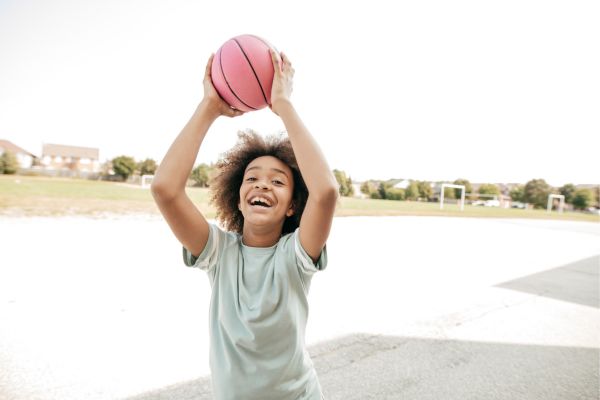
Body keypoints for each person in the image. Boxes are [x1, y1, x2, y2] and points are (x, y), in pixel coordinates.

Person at [151, 48, 338, 400]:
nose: (263, 184)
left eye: (278, 181)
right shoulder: (219, 253)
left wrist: (283, 104)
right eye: (251, 178)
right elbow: (164, 189)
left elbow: (326, 191)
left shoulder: (296, 257)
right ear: (237, 198)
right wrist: (209, 108)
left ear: (292, 206)